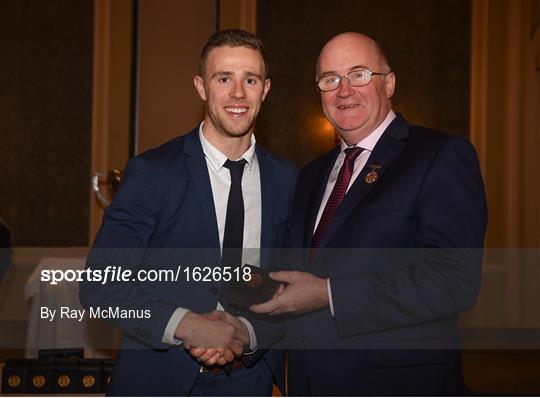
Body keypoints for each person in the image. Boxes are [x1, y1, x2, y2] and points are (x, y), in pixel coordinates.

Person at [251, 32, 488, 395]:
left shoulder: (439, 156)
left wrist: (329, 294)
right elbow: (290, 278)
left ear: (389, 83)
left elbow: (454, 281)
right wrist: (238, 329)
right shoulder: (309, 175)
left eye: (359, 74)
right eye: (330, 80)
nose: (344, 91)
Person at [79, 29, 296, 396]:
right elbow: (101, 284)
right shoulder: (153, 173)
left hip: (248, 381)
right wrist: (187, 324)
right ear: (201, 86)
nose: (238, 93)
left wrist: (249, 333)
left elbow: (293, 285)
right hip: (158, 378)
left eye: (251, 79)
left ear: (266, 89)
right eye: (223, 78)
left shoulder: (288, 180)